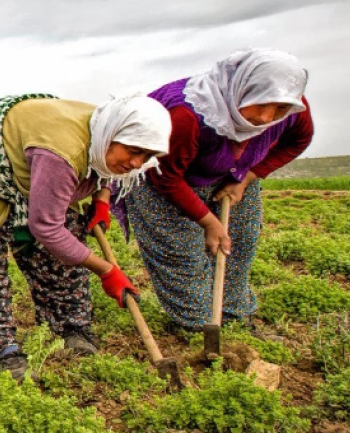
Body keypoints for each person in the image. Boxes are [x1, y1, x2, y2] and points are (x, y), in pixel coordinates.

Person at [0, 94, 171, 381]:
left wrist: (102, 201)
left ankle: (70, 327)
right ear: (111, 136)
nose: (136, 162)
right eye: (133, 151)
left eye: (146, 157)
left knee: (64, 251)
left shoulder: (106, 131)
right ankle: (2, 346)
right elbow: (47, 228)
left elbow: (105, 173)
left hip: (35, 162)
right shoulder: (62, 152)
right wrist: (106, 271)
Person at [113, 48, 314, 332]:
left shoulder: (291, 108)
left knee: (237, 244)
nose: (266, 117)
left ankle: (233, 318)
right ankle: (196, 326)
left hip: (231, 175)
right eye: (258, 104)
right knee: (182, 253)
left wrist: (248, 177)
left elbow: (298, 140)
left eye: (278, 108)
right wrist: (208, 221)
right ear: (241, 88)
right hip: (161, 178)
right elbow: (167, 176)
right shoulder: (186, 114)